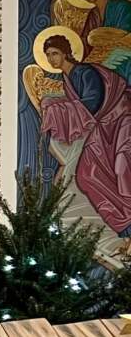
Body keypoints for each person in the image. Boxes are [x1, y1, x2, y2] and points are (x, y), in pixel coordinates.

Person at [40, 34, 131, 237]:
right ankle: (125, 227)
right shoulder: (68, 80)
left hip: (122, 118)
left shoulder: (84, 72)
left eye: (55, 53)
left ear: (66, 53)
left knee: (122, 166)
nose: (51, 59)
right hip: (104, 128)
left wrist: (57, 108)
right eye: (48, 55)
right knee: (86, 174)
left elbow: (93, 102)